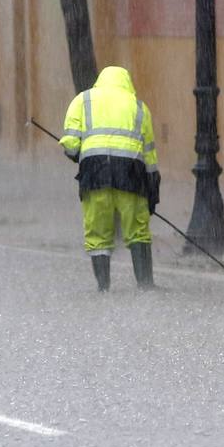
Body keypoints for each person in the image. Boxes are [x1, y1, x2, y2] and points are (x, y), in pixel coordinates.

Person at [59, 66, 160, 291]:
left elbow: (71, 145)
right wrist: (152, 188)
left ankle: (103, 287)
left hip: (96, 174)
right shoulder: (139, 107)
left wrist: (78, 155)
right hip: (131, 176)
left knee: (97, 231)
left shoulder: (82, 100)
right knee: (137, 230)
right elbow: (149, 155)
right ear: (127, 82)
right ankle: (145, 284)